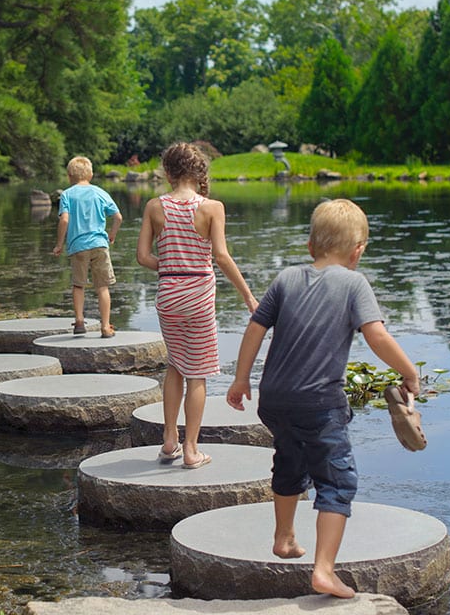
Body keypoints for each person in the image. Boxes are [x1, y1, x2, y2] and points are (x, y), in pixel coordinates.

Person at [226, 198, 421, 598]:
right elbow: (377, 336)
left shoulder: (285, 279)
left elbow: (254, 330)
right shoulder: (354, 283)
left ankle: (283, 538)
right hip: (320, 404)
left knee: (289, 462)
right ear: (358, 252)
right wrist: (409, 371)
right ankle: (325, 570)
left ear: (311, 245)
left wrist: (240, 379)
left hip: (275, 400)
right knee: (337, 481)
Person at [136, 142, 259, 470]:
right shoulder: (212, 208)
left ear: (168, 173)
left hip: (168, 296)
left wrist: (171, 265)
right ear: (199, 172)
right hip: (199, 297)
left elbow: (142, 257)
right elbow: (221, 256)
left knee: (176, 365)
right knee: (199, 374)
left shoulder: (153, 207)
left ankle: (169, 439)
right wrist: (248, 296)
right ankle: (191, 450)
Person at [52, 156, 123, 338]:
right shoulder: (100, 192)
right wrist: (112, 234)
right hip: (100, 244)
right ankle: (106, 327)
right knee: (103, 287)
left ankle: (80, 322)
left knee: (78, 285)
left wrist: (60, 243)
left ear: (69, 176)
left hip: (78, 246)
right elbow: (118, 217)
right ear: (91, 174)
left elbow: (65, 219)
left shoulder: (67, 194)